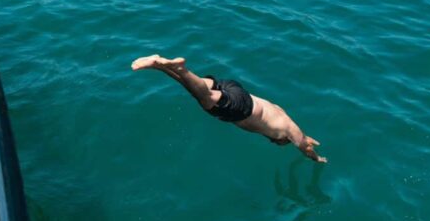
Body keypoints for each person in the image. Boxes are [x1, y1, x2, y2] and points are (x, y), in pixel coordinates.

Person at [131, 54, 327, 163]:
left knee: (199, 89)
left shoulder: (284, 117)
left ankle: (160, 65)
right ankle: (181, 68)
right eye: (281, 142)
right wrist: (317, 159)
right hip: (242, 108)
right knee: (205, 99)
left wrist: (305, 138)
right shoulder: (289, 130)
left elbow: (303, 138)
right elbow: (304, 146)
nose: (276, 143)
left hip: (237, 90)